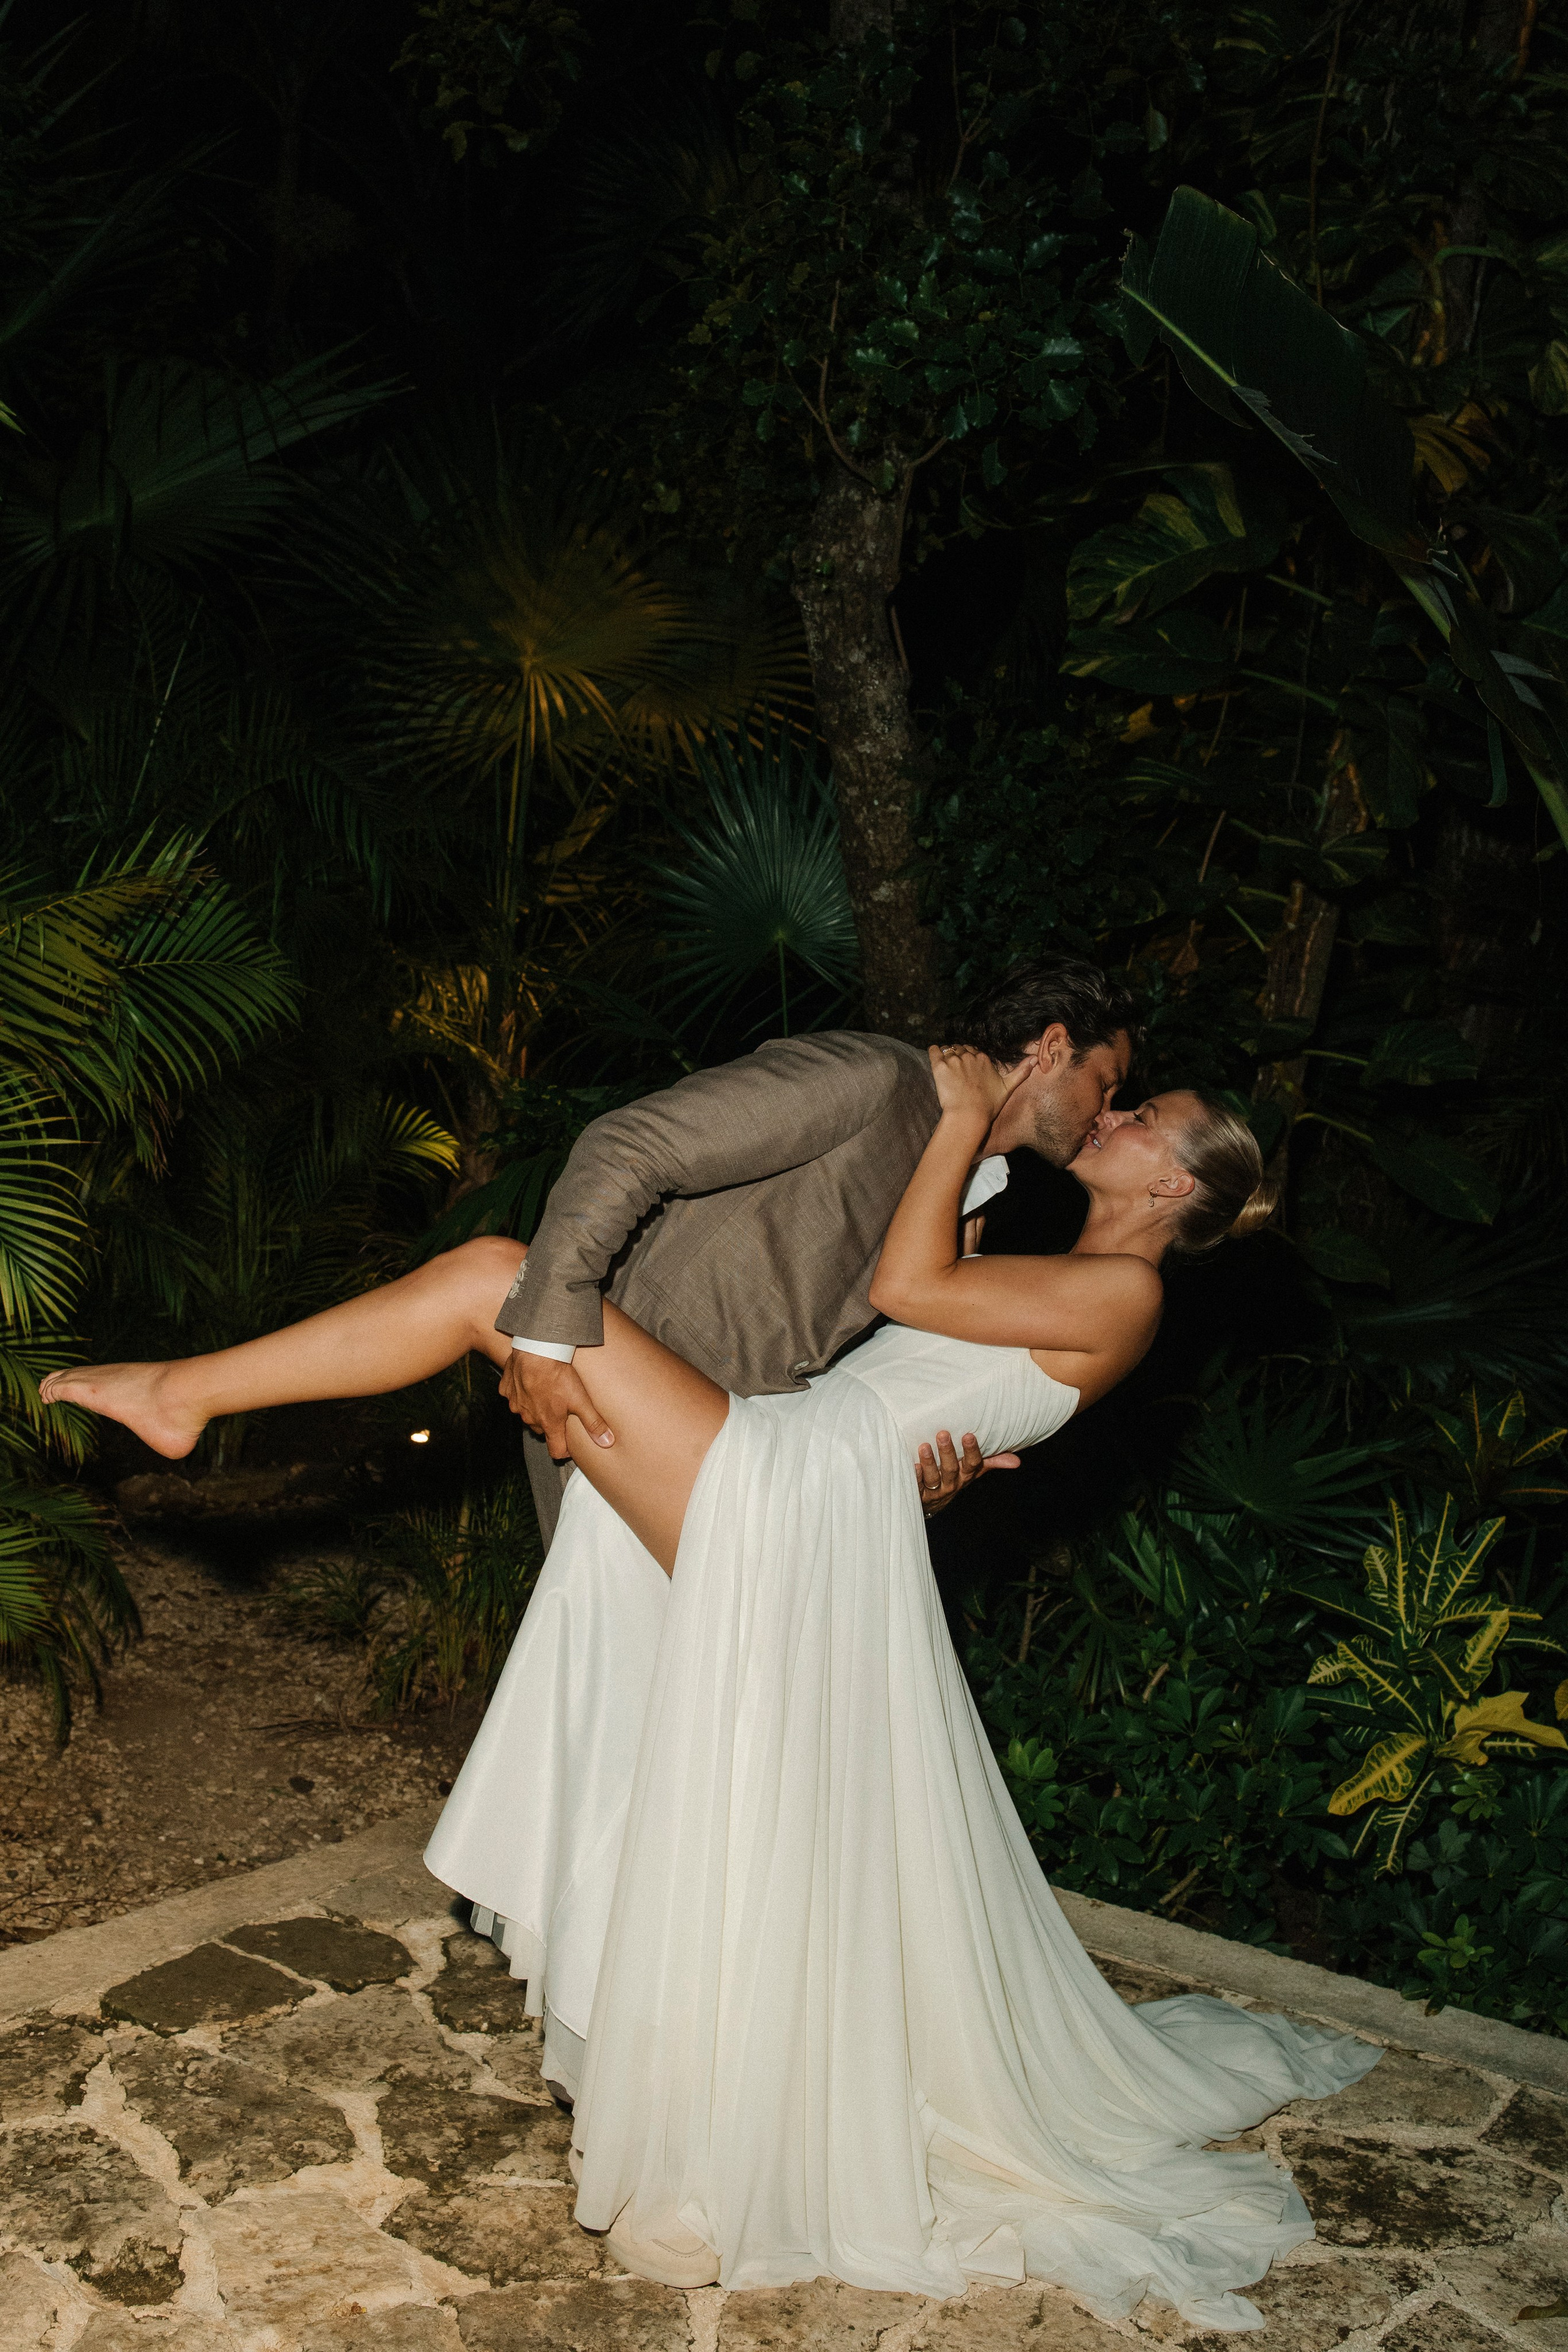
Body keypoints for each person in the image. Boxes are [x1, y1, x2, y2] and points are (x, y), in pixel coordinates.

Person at [44, 1033, 1381, 2333]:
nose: (1116, 1115)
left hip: (797, 1501)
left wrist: (962, 1119)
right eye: (1122, 1095)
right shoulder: (1052, 1271)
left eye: (1144, 1117)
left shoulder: (1127, 1295)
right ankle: (680, 2085)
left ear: (1174, 1184)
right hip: (816, 1492)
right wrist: (938, 1463)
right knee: (671, 1759)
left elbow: (906, 1286)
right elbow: (926, 1371)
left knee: (498, 1281)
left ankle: (184, 1395)